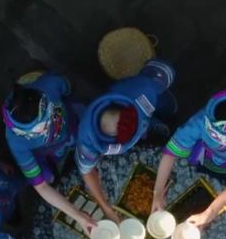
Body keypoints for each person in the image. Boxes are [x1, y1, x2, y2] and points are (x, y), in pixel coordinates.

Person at [75, 59, 177, 223]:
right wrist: (105, 207)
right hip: (135, 111)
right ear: (113, 141)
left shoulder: (143, 90)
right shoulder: (87, 141)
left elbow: (162, 72)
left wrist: (158, 85)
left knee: (164, 91)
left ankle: (152, 117)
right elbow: (86, 171)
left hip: (143, 97)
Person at [1, 74, 96, 233]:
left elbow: (67, 88)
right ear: (24, 133)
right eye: (41, 129)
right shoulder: (16, 142)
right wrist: (79, 216)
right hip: (49, 151)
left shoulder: (50, 84)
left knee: (94, 123)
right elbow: (41, 187)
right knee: (46, 178)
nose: (47, 127)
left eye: (49, 118)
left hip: (73, 123)